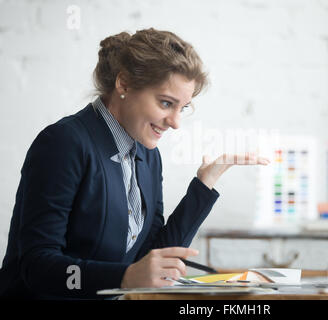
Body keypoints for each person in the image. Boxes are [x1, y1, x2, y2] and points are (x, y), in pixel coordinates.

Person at [0, 28, 269, 299]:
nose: (175, 122)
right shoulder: (64, 143)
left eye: (183, 108)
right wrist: (125, 277)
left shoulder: (148, 155)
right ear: (124, 84)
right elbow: (37, 268)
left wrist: (205, 184)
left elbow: (151, 259)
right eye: (166, 103)